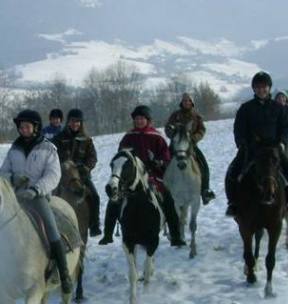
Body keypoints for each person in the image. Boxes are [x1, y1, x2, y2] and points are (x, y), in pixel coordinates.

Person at [0, 109, 73, 295]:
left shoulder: (48, 148)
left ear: (35, 127)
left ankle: (64, 275)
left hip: (37, 198)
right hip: (15, 198)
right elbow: (2, 173)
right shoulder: (13, 149)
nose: (23, 129)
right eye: (21, 127)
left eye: (27, 126)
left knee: (51, 229)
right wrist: (13, 178)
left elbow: (53, 175)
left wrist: (35, 189)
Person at [99, 105, 186, 247]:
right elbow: (121, 155)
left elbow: (166, 157)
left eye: (142, 118)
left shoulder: (157, 137)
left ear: (147, 120)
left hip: (152, 177)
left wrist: (157, 163)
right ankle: (108, 234)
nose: (139, 121)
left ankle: (175, 235)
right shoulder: (128, 137)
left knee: (168, 200)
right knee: (114, 200)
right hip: (131, 178)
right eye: (137, 118)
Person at [225, 72, 288, 217]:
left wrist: (283, 142)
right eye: (258, 87)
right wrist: (242, 143)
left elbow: (287, 127)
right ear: (253, 89)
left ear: (269, 88)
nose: (261, 90)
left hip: (274, 150)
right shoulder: (245, 108)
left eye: (264, 87)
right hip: (251, 149)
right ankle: (233, 204)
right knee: (232, 172)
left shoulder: (278, 108)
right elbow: (239, 128)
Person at [52, 108, 102, 236]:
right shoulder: (59, 138)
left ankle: (94, 225)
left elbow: (93, 157)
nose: (75, 124)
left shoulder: (86, 139)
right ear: (68, 122)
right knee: (51, 198)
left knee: (95, 196)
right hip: (63, 176)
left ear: (81, 123)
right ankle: (51, 225)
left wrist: (86, 168)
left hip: (82, 177)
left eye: (78, 121)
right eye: (73, 121)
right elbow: (51, 155)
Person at [164, 92, 217, 205]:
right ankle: (163, 189)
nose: (187, 103)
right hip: (176, 146)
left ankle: (205, 191)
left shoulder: (197, 117)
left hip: (191, 146)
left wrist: (193, 138)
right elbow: (168, 128)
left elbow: (202, 130)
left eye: (189, 101)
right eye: (185, 101)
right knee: (164, 163)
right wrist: (174, 136)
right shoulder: (175, 115)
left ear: (192, 103)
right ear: (181, 102)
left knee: (204, 165)